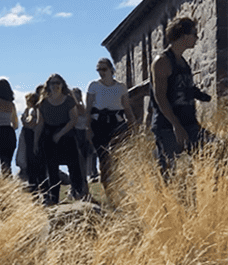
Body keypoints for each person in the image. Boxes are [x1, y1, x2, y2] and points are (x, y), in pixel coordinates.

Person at [150, 17, 212, 176]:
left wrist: (203, 96)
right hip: (168, 127)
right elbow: (160, 98)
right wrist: (176, 125)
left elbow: (185, 88)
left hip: (189, 124)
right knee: (171, 175)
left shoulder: (183, 62)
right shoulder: (162, 61)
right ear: (184, 36)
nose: (197, 38)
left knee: (217, 149)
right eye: (194, 34)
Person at [34, 75, 85, 204]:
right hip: (49, 136)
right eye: (52, 83)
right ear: (48, 86)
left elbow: (74, 119)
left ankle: (78, 194)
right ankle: (54, 198)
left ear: (62, 85)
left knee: (74, 166)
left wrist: (60, 133)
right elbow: (40, 123)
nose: (55, 85)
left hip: (67, 135)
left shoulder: (68, 100)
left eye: (58, 83)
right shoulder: (43, 103)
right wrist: (35, 142)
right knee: (52, 169)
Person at [87, 57, 137, 188]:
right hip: (99, 125)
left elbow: (127, 108)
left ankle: (119, 186)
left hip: (117, 124)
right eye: (98, 70)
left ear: (111, 69)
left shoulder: (121, 87)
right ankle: (107, 188)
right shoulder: (94, 86)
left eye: (104, 69)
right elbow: (88, 110)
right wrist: (88, 129)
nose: (101, 72)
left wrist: (133, 124)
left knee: (118, 157)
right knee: (103, 159)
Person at [71, 88, 97, 183]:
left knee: (89, 153)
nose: (76, 97)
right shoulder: (71, 109)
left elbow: (89, 120)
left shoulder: (85, 108)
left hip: (85, 132)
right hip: (76, 133)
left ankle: (91, 174)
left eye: (78, 95)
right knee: (77, 156)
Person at [17, 92, 40, 184]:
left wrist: (26, 120)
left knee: (29, 156)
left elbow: (30, 122)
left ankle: (32, 181)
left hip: (30, 134)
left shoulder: (32, 111)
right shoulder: (30, 110)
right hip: (29, 134)